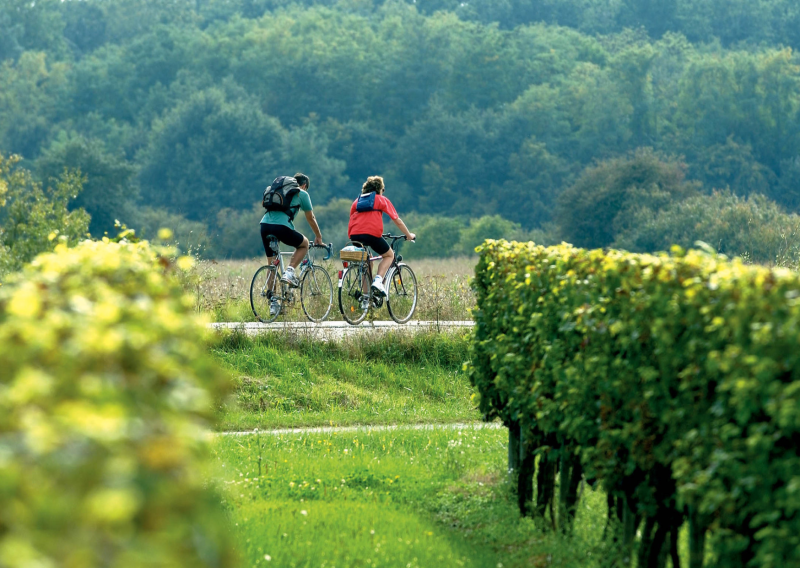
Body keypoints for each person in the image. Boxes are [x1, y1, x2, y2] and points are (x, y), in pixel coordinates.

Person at [261, 173, 324, 316]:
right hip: (281, 227)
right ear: (304, 186)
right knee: (304, 244)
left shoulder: (278, 191)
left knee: (272, 265)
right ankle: (290, 271)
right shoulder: (302, 193)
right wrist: (319, 237)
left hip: (264, 226)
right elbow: (311, 218)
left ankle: (273, 303)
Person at [347, 175, 415, 309]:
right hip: (371, 234)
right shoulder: (381, 200)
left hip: (354, 235)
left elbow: (354, 219)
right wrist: (409, 235)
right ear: (379, 189)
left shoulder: (357, 201)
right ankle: (378, 281)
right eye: (383, 189)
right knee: (389, 255)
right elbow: (397, 219)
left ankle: (366, 300)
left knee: (367, 262)